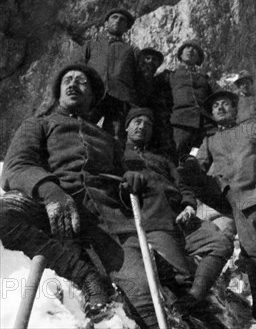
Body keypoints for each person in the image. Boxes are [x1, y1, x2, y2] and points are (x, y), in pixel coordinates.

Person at [0, 64, 163, 327]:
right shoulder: (39, 124)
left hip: (107, 219)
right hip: (51, 205)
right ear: (58, 92)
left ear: (93, 94)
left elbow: (129, 177)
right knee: (3, 215)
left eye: (81, 81)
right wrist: (51, 192)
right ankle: (85, 275)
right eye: (67, 80)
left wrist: (131, 180)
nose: (73, 84)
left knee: (143, 296)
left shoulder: (109, 140)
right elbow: (17, 166)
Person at [180, 90, 256, 322]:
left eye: (226, 104)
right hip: (221, 199)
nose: (220, 108)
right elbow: (197, 167)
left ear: (234, 109)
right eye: (215, 106)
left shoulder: (252, 129)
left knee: (254, 253)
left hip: (250, 197)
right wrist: (189, 164)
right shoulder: (209, 141)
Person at [123, 108, 233, 311]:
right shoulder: (120, 155)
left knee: (220, 243)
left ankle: (195, 297)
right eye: (137, 122)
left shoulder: (161, 158)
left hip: (181, 217)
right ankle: (189, 310)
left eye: (147, 124)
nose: (142, 127)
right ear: (126, 126)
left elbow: (182, 185)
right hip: (153, 220)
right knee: (180, 275)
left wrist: (189, 206)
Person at [75, 8, 138, 143]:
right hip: (93, 94)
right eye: (114, 17)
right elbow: (77, 67)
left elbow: (138, 76)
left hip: (119, 98)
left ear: (127, 27)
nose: (118, 21)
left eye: (123, 20)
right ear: (106, 23)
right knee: (79, 128)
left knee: (115, 138)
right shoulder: (91, 45)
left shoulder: (131, 51)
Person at [168, 39, 214, 159]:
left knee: (202, 156)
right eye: (187, 47)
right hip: (181, 123)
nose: (191, 50)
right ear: (180, 54)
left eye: (195, 49)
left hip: (205, 125)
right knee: (177, 155)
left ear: (198, 58)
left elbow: (219, 95)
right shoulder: (170, 76)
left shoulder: (205, 79)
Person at [134, 47, 177, 161]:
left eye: (154, 60)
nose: (150, 62)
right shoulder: (131, 78)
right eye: (147, 58)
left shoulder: (160, 83)